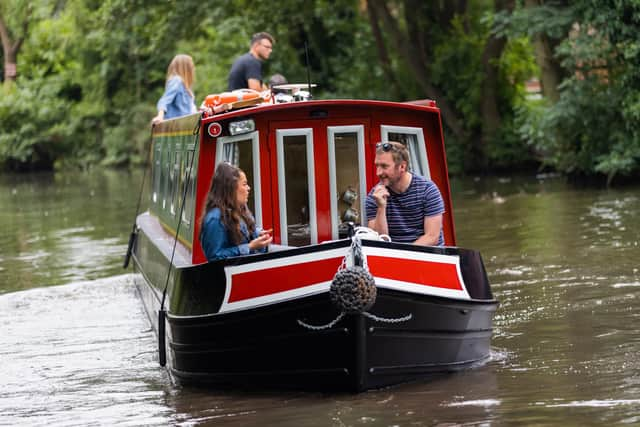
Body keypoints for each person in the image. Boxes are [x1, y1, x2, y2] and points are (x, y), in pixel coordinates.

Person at [365, 141, 445, 246]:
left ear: (402, 167)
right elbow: (379, 243)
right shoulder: (374, 197)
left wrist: (404, 256)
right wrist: (381, 207)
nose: (378, 173)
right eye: (377, 166)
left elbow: (432, 237)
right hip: (395, 258)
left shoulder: (428, 190)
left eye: (384, 166)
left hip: (428, 256)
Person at [200, 162, 272, 261]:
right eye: (244, 184)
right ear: (231, 188)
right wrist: (249, 247)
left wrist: (257, 234)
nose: (248, 188)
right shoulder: (215, 219)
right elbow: (214, 257)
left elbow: (243, 235)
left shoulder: (240, 209)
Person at [152, 54, 198, 125]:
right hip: (178, 126)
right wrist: (160, 116)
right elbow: (164, 100)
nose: (193, 68)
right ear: (186, 68)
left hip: (189, 124)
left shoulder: (186, 86)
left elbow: (189, 110)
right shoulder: (177, 80)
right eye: (191, 66)